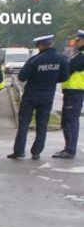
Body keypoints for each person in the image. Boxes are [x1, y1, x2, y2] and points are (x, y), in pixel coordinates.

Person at [8, 34, 69, 160]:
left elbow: (22, 77)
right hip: (48, 95)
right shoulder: (62, 59)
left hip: (31, 94)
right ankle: (36, 152)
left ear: (40, 46)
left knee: (24, 123)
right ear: (51, 44)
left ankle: (19, 151)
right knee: (42, 124)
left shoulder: (34, 60)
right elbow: (64, 77)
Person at [53, 30, 84, 160]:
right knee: (70, 120)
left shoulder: (81, 57)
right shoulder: (79, 56)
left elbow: (68, 70)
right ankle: (69, 148)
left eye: (78, 40)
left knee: (70, 121)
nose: (75, 42)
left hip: (74, 92)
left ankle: (70, 149)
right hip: (74, 92)